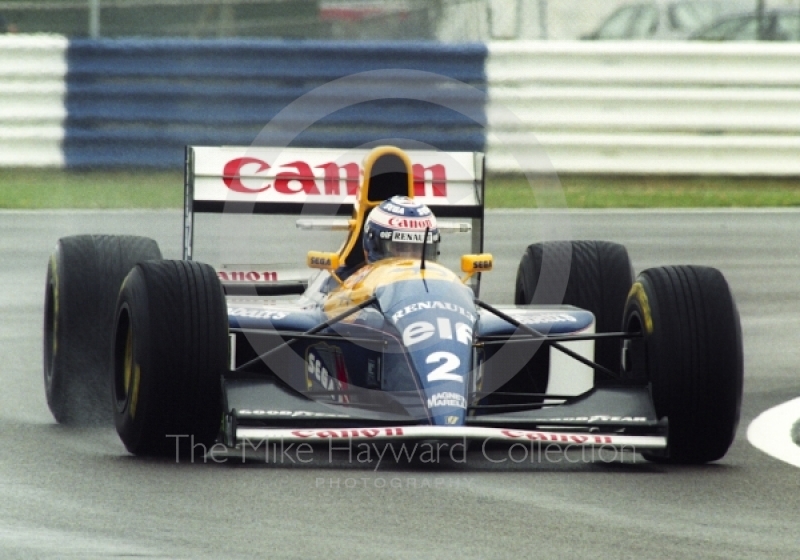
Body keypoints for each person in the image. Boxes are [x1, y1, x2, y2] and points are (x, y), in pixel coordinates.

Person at [361, 195, 440, 264]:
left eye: (417, 249)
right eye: (400, 248)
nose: (409, 260)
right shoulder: (351, 281)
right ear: (371, 245)